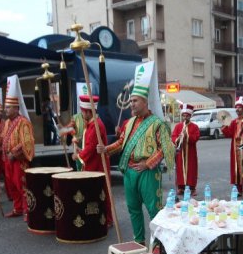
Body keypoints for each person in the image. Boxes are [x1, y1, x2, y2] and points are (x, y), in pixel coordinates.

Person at [97, 87, 175, 245]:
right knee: (133, 209)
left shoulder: (157, 124)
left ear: (145, 101)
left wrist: (148, 163)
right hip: (129, 171)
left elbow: (166, 148)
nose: (131, 104)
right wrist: (106, 149)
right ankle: (139, 242)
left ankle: (159, 244)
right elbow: (121, 143)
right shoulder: (130, 122)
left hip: (148, 172)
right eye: (131, 101)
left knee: (154, 210)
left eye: (135, 101)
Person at [0, 76, 35, 218]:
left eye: (8, 107)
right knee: (12, 186)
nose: (5, 110)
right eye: (5, 107)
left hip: (19, 160)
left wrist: (14, 153)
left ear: (16, 108)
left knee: (22, 186)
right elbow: (0, 139)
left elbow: (27, 142)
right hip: (8, 160)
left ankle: (27, 211)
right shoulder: (6, 123)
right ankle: (18, 208)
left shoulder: (23, 122)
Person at [72, 94, 113, 226]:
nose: (82, 114)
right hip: (94, 163)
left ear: (89, 111)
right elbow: (88, 145)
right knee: (96, 192)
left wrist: (78, 156)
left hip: (97, 165)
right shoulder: (90, 124)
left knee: (101, 192)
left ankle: (106, 219)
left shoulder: (96, 125)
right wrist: (80, 150)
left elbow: (90, 149)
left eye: (83, 112)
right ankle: (99, 217)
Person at [171, 103, 200, 196]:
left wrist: (187, 135)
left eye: (187, 115)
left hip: (190, 152)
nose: (185, 117)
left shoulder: (194, 126)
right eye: (183, 115)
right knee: (180, 168)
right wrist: (178, 139)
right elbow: (173, 136)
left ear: (190, 116)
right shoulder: (178, 126)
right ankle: (181, 187)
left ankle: (192, 188)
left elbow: (196, 137)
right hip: (180, 152)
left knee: (191, 169)